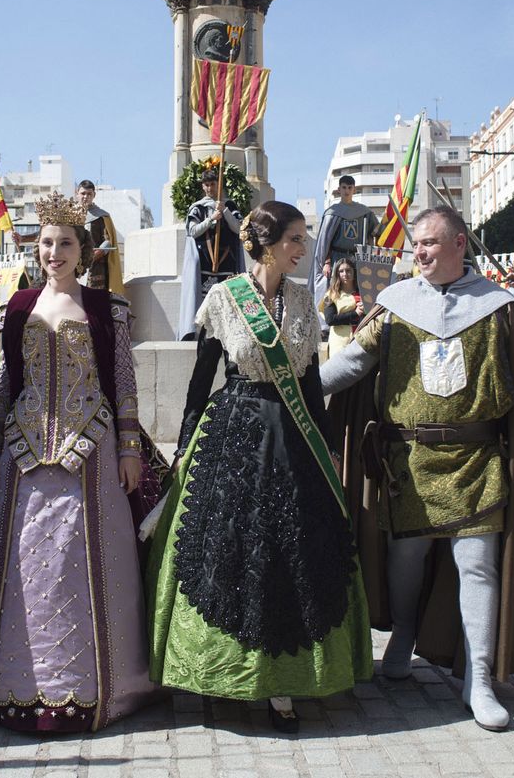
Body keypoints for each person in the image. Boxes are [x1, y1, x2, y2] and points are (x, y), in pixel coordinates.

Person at [322, 206, 514, 732]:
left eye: (429, 243)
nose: (419, 253)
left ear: (458, 245)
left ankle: (478, 676)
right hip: (409, 463)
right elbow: (355, 363)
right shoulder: (396, 305)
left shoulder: (498, 308)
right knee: (405, 562)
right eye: (416, 244)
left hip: (477, 461)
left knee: (477, 564)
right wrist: (296, 387)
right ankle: (404, 632)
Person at [147, 200, 371, 733]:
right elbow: (202, 384)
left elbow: (310, 382)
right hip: (236, 436)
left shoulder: (302, 300)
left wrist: (327, 442)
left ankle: (286, 682)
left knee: (296, 547)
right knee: (231, 549)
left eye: (303, 239)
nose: (303, 248)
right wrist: (183, 449)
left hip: (295, 442)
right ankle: (225, 673)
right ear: (267, 244)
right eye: (295, 239)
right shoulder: (223, 299)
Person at [0, 192, 157, 731]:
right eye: (46, 243)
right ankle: (8, 686)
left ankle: (100, 688)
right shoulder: (19, 307)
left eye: (65, 243)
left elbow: (123, 381)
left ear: (83, 250)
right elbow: (10, 384)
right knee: (21, 566)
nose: (54, 252)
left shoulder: (107, 308)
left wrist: (128, 448)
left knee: (84, 562)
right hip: (25, 452)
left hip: (91, 450)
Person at [178, 167, 243, 338]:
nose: (209, 188)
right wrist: (211, 219)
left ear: (219, 184)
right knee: (205, 303)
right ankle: (204, 336)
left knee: (227, 302)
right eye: (206, 185)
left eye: (213, 184)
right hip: (205, 263)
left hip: (227, 261)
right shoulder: (197, 208)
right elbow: (192, 231)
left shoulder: (229, 205)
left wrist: (225, 212)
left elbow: (238, 229)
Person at [312, 176, 378, 307]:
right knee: (336, 288)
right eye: (344, 187)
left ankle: (356, 318)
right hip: (337, 257)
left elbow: (377, 232)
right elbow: (325, 241)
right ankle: (333, 320)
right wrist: (326, 262)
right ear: (339, 189)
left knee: (357, 287)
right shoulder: (332, 213)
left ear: (354, 189)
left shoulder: (364, 212)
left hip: (357, 257)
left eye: (350, 187)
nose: (347, 190)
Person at [75, 180, 124, 295]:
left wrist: (95, 254)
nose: (86, 197)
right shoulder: (69, 215)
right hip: (72, 264)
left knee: (93, 299)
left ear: (94, 195)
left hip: (95, 266)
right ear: (77, 193)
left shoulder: (101, 216)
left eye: (89, 194)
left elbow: (108, 241)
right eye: (83, 193)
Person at [320, 257, 364, 356]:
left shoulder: (364, 294)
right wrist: (355, 314)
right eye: (341, 271)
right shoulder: (329, 295)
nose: (345, 274)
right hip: (339, 344)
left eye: (348, 270)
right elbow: (330, 319)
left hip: (360, 342)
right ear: (337, 274)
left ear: (354, 272)